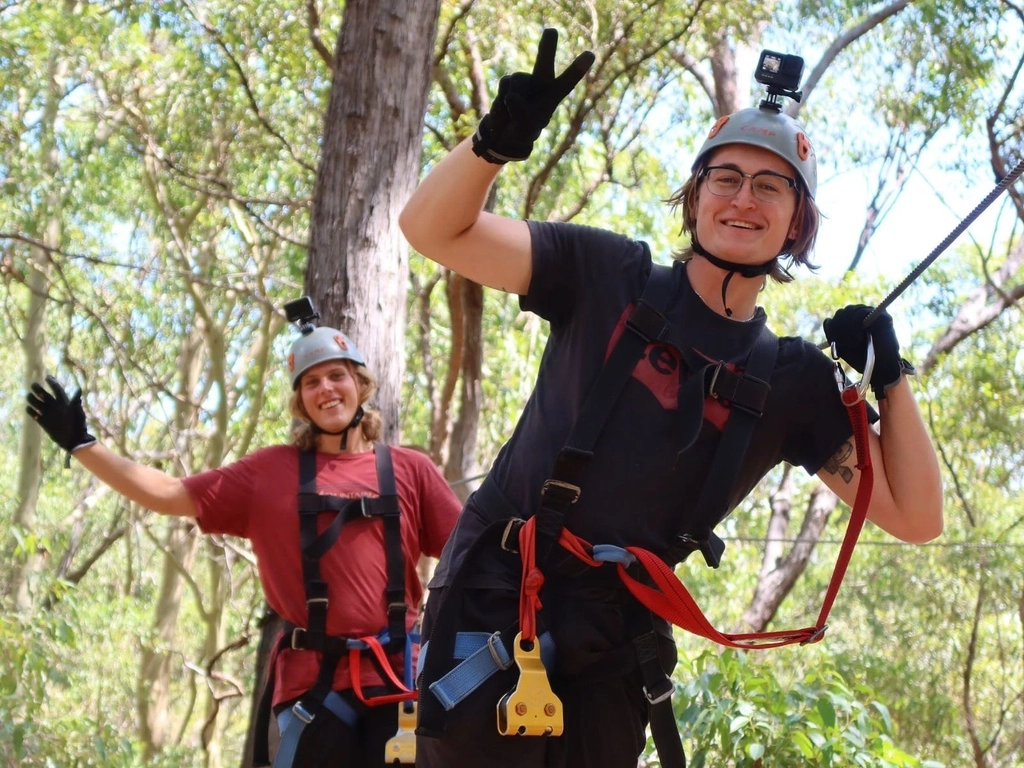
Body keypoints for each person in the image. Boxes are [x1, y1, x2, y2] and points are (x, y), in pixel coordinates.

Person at [398, 28, 943, 768]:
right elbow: (431, 229)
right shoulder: (605, 274)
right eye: (725, 178)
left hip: (616, 643)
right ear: (694, 197)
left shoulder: (794, 385)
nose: (743, 199)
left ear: (797, 220)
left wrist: (892, 378)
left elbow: (916, 517)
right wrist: (493, 145)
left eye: (771, 186)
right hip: (498, 600)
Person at [25, 300, 462, 768]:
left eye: (337, 375)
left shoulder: (409, 471)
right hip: (311, 690)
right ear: (300, 402)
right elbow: (169, 493)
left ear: (360, 384)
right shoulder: (269, 474)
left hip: (397, 685)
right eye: (311, 382)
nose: (326, 389)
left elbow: (472, 553)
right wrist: (83, 446)